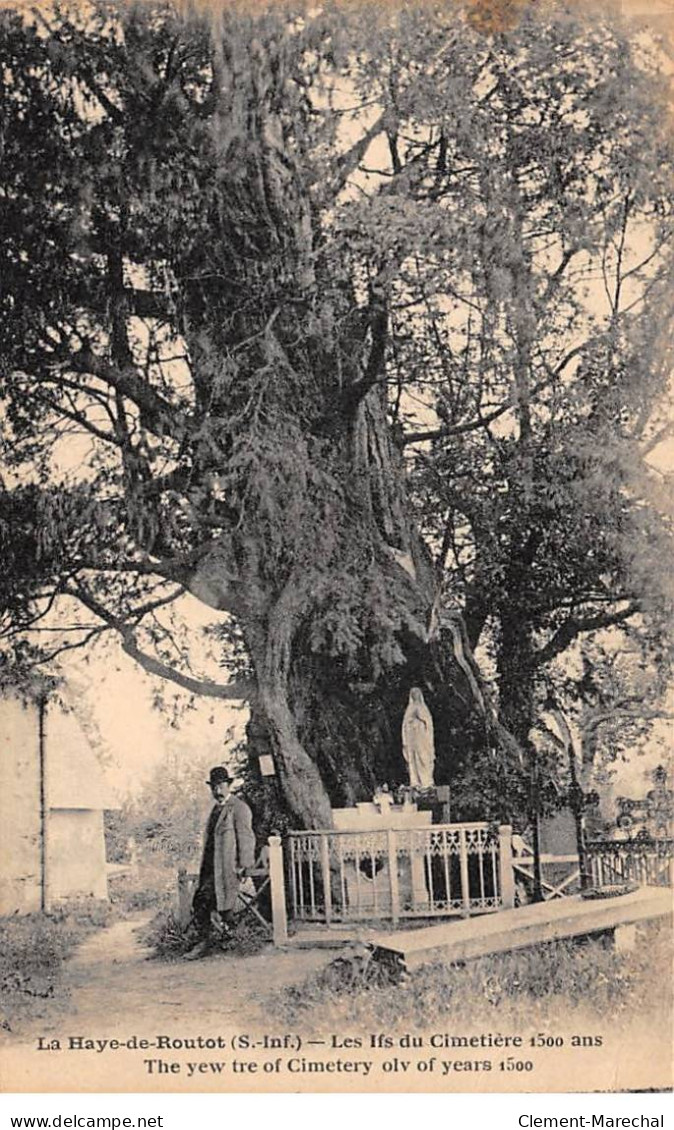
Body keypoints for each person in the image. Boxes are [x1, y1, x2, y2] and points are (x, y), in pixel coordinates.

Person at [185, 766, 256, 959]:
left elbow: (246, 838)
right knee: (202, 900)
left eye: (221, 786)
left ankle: (221, 941)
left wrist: (244, 865)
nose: (217, 791)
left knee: (222, 903)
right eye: (214, 787)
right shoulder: (215, 810)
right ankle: (210, 941)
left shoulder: (239, 808)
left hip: (226, 867)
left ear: (228, 786)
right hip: (210, 867)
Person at [401, 686, 435, 789]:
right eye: (413, 693)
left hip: (422, 738)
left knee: (423, 758)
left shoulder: (423, 708)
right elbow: (404, 724)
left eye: (417, 693)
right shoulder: (409, 709)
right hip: (412, 738)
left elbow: (428, 723)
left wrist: (419, 718)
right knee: (413, 759)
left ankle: (426, 781)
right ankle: (415, 781)